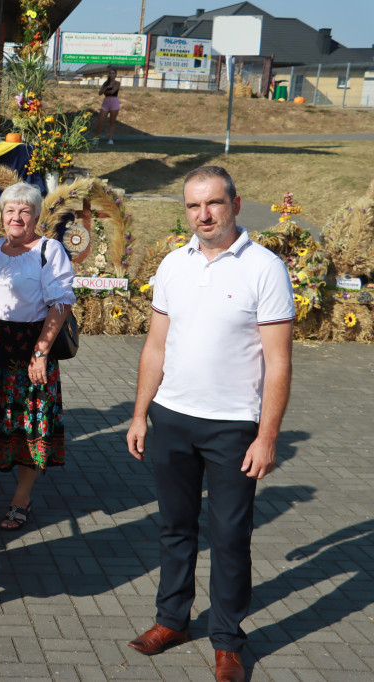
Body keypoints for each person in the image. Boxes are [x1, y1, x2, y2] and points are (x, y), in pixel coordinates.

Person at [125, 166, 294, 682]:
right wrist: (139, 413)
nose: (204, 215)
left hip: (233, 428)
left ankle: (227, 641)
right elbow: (156, 346)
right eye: (194, 206)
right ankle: (171, 620)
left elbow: (279, 362)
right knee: (175, 528)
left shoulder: (265, 268)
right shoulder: (174, 264)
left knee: (228, 536)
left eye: (213, 204)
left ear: (235, 205)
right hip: (172, 418)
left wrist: (267, 437)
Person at [0, 182, 75, 530]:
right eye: (10, 210)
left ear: (35, 216)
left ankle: (21, 498)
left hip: (30, 351)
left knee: (29, 427)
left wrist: (41, 353)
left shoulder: (50, 250)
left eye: (24, 211)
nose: (16, 217)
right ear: (1, 215)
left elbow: (60, 303)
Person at [97, 67, 120, 145]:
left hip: (114, 102)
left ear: (115, 74)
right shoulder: (105, 83)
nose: (111, 74)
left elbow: (112, 91)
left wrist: (106, 90)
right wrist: (107, 87)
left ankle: (110, 139)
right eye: (110, 73)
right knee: (100, 121)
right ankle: (96, 138)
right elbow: (100, 93)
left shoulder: (117, 83)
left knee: (112, 122)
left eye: (113, 73)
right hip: (106, 102)